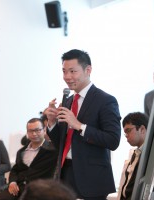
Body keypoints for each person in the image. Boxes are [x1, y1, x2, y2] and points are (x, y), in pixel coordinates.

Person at [44, 49, 121, 199]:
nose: (67, 77)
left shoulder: (105, 100)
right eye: (64, 71)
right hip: (65, 173)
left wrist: (79, 126)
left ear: (88, 70)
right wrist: (52, 122)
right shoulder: (67, 100)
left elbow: (113, 140)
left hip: (91, 177)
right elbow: (62, 143)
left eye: (73, 71)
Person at [0, 118, 58, 200]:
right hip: (19, 187)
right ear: (27, 132)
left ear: (44, 130)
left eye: (37, 130)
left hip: (39, 189)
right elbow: (15, 170)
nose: (34, 134)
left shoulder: (52, 150)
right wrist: (12, 182)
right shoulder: (21, 151)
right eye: (30, 131)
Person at [118, 112, 154, 199]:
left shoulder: (152, 156)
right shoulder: (135, 154)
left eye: (128, 130)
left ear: (142, 129)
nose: (126, 136)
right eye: (125, 133)